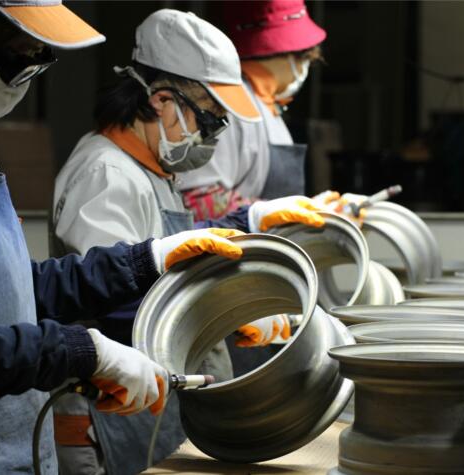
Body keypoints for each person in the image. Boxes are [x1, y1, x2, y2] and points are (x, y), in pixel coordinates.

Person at [0, 2, 253, 474]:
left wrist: (146, 260)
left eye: (40, 58)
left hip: (7, 439)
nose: (28, 76)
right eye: (19, 55)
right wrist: (80, 351)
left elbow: (13, 292)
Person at [50, 9, 327, 475]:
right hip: (106, 419)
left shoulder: (151, 170)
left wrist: (247, 220)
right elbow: (114, 298)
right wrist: (228, 310)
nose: (213, 137)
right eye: (210, 120)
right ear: (162, 101)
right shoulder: (105, 174)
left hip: (149, 409)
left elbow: (171, 254)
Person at [177, 0, 326, 221]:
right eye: (305, 58)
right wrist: (267, 212)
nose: (305, 66)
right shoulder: (230, 105)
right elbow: (197, 201)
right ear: (285, 55)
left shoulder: (267, 105)